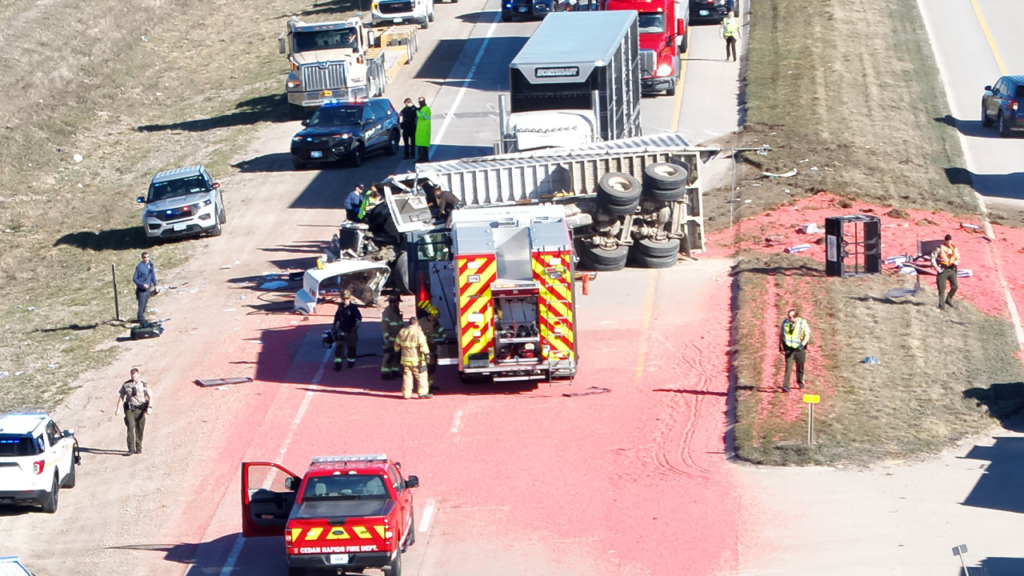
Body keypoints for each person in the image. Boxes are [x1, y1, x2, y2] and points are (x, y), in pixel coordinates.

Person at [114, 368, 152, 455]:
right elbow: (121, 397)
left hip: (140, 409)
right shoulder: (126, 385)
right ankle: (131, 448)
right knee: (130, 426)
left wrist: (149, 407)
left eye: (135, 376)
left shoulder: (144, 384)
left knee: (140, 428)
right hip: (130, 409)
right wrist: (118, 409)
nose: (133, 377)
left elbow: (150, 396)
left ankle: (138, 446)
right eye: (132, 376)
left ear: (138, 375)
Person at [395, 315, 432, 399]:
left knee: (407, 376)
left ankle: (406, 394)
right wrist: (427, 354)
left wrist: (397, 351)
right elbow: (423, 345)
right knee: (421, 375)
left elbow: (396, 344)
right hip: (417, 360)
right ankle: (422, 393)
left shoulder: (402, 331)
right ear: (416, 323)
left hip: (405, 360)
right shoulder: (418, 332)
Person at [778, 308, 811, 392]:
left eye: (790, 317)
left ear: (795, 317)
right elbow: (781, 334)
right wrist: (780, 344)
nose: (788, 318)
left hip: (799, 349)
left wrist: (802, 344)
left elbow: (807, 335)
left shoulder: (802, 323)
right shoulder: (785, 323)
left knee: (800, 367)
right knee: (788, 367)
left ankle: (800, 383)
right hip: (789, 349)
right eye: (788, 316)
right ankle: (786, 386)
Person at [418, 302, 447, 387]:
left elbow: (441, 330)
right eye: (432, 316)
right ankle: (425, 386)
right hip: (424, 350)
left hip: (432, 349)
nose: (433, 318)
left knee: (432, 368)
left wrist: (444, 337)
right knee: (425, 368)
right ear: (428, 315)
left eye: (435, 316)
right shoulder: (421, 323)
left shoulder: (435, 322)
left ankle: (430, 385)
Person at [333, 290, 362, 371]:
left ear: (349, 298)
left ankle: (351, 362)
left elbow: (358, 317)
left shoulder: (353, 307)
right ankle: (338, 364)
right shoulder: (340, 307)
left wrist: (357, 324)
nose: (345, 300)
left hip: (351, 332)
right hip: (341, 330)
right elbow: (337, 317)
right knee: (339, 348)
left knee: (351, 348)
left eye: (346, 298)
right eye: (343, 298)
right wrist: (334, 326)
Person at [931, 234, 960, 310]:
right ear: (945, 240)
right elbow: (933, 257)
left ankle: (949, 299)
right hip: (943, 269)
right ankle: (941, 305)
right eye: (947, 240)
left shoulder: (954, 247)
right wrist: (936, 267)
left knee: (955, 286)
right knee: (942, 288)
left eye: (950, 240)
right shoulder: (939, 247)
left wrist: (956, 262)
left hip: (952, 269)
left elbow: (958, 257)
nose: (948, 242)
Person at [380, 295, 404, 380]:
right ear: (392, 303)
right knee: (389, 356)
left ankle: (395, 371)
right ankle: (385, 373)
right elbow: (385, 325)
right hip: (390, 339)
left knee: (397, 356)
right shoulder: (388, 311)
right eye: (397, 303)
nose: (398, 304)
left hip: (397, 339)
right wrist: (386, 337)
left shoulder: (396, 311)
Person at [133, 251, 158, 325]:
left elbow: (152, 276)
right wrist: (142, 285)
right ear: (142, 258)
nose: (146, 258)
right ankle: (141, 319)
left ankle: (140, 317)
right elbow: (134, 278)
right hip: (141, 289)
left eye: (147, 257)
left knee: (145, 303)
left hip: (148, 288)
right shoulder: (139, 267)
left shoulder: (150, 264)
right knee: (141, 304)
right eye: (144, 257)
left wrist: (155, 285)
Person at [415, 97, 432, 163]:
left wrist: (417, 112)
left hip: (424, 129)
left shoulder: (426, 109)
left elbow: (422, 116)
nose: (420, 103)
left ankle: (422, 158)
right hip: (421, 129)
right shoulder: (423, 109)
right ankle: (423, 158)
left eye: (421, 102)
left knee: (423, 146)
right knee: (421, 146)